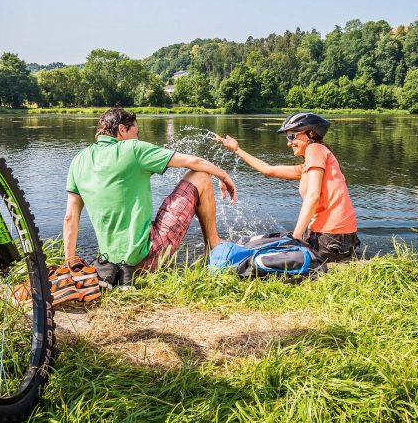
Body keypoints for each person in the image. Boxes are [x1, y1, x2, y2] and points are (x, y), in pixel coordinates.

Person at [61, 107, 237, 296]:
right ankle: (214, 247)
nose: (137, 138)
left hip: (110, 264)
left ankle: (112, 272)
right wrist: (224, 175)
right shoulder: (133, 149)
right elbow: (193, 162)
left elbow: (70, 218)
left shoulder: (78, 160)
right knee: (201, 176)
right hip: (149, 256)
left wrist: (69, 265)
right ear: (122, 129)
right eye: (135, 133)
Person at [213, 112, 360, 262]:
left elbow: (313, 195)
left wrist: (295, 237)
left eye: (292, 137)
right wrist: (237, 150)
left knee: (261, 253)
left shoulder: (315, 148)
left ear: (311, 133)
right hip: (333, 238)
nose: (288, 143)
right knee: (256, 241)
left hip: (331, 240)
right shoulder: (309, 166)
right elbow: (268, 170)